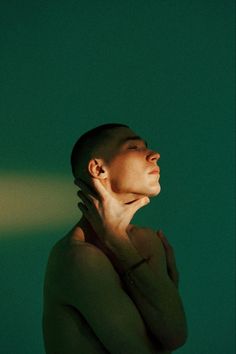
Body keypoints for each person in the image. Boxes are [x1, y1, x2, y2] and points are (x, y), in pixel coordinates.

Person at [42, 123, 188, 354]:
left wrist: (117, 241)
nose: (154, 155)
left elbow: (176, 336)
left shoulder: (144, 241)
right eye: (133, 147)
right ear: (99, 169)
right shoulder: (78, 257)